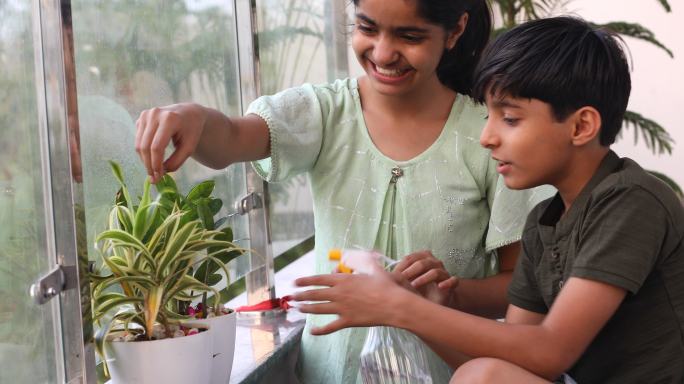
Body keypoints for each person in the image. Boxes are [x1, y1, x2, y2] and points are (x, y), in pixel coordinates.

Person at [134, 0, 549, 382]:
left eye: (409, 36)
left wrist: (439, 295)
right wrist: (193, 117)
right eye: (367, 28)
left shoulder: (489, 138)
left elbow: (518, 289)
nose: (383, 53)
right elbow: (230, 139)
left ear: (455, 30)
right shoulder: (325, 112)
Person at [293, 16, 684, 384]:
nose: (487, 138)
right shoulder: (543, 224)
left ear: (581, 126)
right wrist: (416, 306)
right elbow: (516, 361)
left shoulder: (632, 201)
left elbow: (550, 351)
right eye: (489, 118)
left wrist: (400, 307)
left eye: (510, 119)